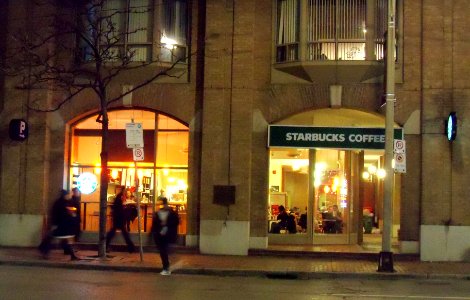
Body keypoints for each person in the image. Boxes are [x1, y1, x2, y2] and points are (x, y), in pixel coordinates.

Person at [38, 189, 79, 260]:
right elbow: (56, 214)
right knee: (54, 239)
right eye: (67, 195)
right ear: (64, 195)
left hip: (64, 225)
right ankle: (44, 250)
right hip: (60, 225)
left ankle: (72, 255)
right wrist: (54, 224)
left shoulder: (64, 202)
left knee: (66, 239)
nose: (69, 196)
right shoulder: (59, 203)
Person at [152, 197, 179, 275]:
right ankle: (166, 266)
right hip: (160, 235)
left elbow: (175, 223)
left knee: (164, 251)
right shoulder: (158, 213)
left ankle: (166, 267)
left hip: (168, 235)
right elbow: (154, 225)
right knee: (163, 251)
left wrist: (166, 225)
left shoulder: (172, 213)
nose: (162, 206)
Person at [106, 186, 135, 253]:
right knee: (122, 233)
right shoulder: (120, 197)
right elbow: (118, 207)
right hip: (119, 217)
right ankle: (131, 247)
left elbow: (116, 207)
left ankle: (131, 247)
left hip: (118, 217)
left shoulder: (119, 196)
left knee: (114, 232)